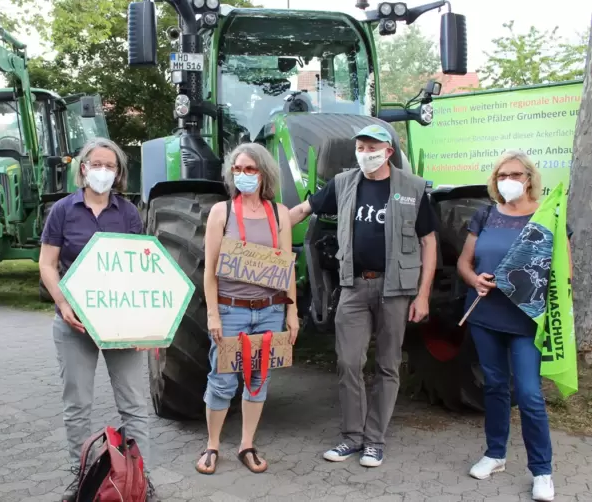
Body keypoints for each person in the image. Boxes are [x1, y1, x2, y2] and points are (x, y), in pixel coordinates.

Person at [289, 124, 437, 467]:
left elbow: (429, 242)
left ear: (388, 152)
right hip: (354, 286)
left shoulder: (413, 189)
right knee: (348, 362)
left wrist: (423, 294)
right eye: (360, 147)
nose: (365, 153)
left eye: (372, 147)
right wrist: (259, 224)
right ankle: (352, 437)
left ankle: (374, 440)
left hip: (395, 289)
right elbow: (301, 211)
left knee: (388, 365)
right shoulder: (342, 184)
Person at [38, 137, 156, 502]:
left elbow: (141, 267)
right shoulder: (62, 210)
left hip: (121, 326)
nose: (102, 171)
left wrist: (144, 324)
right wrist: (63, 302)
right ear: (83, 168)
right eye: (96, 164)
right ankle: (82, 485)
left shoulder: (128, 213)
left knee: (135, 405)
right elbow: (46, 263)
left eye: (110, 166)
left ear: (118, 173)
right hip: (74, 325)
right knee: (77, 408)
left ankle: (140, 485)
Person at [457, 150, 572, 502]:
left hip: (527, 321)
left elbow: (564, 270)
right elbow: (464, 262)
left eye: (517, 175)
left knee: (529, 394)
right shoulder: (485, 214)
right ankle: (495, 455)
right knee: (494, 386)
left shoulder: (549, 215)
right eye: (503, 175)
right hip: (485, 316)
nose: (509, 180)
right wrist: (476, 279)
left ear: (530, 179)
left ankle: (542, 472)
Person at [196, 143, 300, 475]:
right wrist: (213, 313)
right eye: (238, 170)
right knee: (223, 380)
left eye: (250, 170)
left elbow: (286, 269)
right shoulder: (221, 212)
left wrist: (292, 313)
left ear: (264, 174)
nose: (243, 175)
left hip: (269, 310)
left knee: (258, 379)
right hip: (231, 310)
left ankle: (246, 445)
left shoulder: (279, 213)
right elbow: (210, 269)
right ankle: (212, 445)